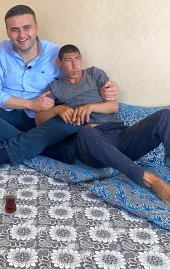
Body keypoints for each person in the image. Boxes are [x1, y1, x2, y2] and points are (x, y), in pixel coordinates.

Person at [0, 5, 118, 180]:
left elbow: (76, 79)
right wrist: (31, 104)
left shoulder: (56, 54)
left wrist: (108, 87)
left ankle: (21, 147)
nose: (21, 35)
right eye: (14, 29)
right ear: (7, 31)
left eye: (27, 27)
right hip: (5, 116)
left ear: (36, 27)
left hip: (43, 120)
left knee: (72, 119)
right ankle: (43, 148)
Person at [36, 44, 170, 204]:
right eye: (69, 60)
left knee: (165, 115)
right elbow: (39, 120)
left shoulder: (94, 74)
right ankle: (149, 179)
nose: (75, 65)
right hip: (91, 146)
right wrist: (58, 109)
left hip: (119, 134)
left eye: (77, 59)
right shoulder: (55, 87)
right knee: (86, 132)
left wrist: (90, 106)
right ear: (59, 63)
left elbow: (113, 106)